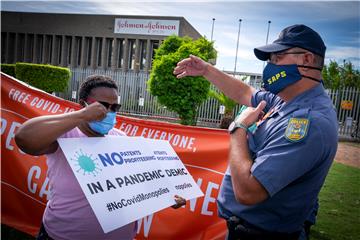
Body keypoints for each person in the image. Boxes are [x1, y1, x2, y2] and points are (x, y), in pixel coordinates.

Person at [173, 24, 338, 239]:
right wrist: (206, 70)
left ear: (306, 60)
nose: (270, 66)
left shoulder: (307, 122)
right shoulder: (286, 100)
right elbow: (245, 91)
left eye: (277, 58)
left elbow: (248, 192)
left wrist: (238, 128)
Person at [15, 75, 186, 240]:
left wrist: (166, 195)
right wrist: (81, 116)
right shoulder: (65, 135)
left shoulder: (121, 138)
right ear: (83, 104)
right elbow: (24, 138)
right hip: (63, 235)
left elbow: (136, 182)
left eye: (115, 107)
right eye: (103, 106)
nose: (108, 112)